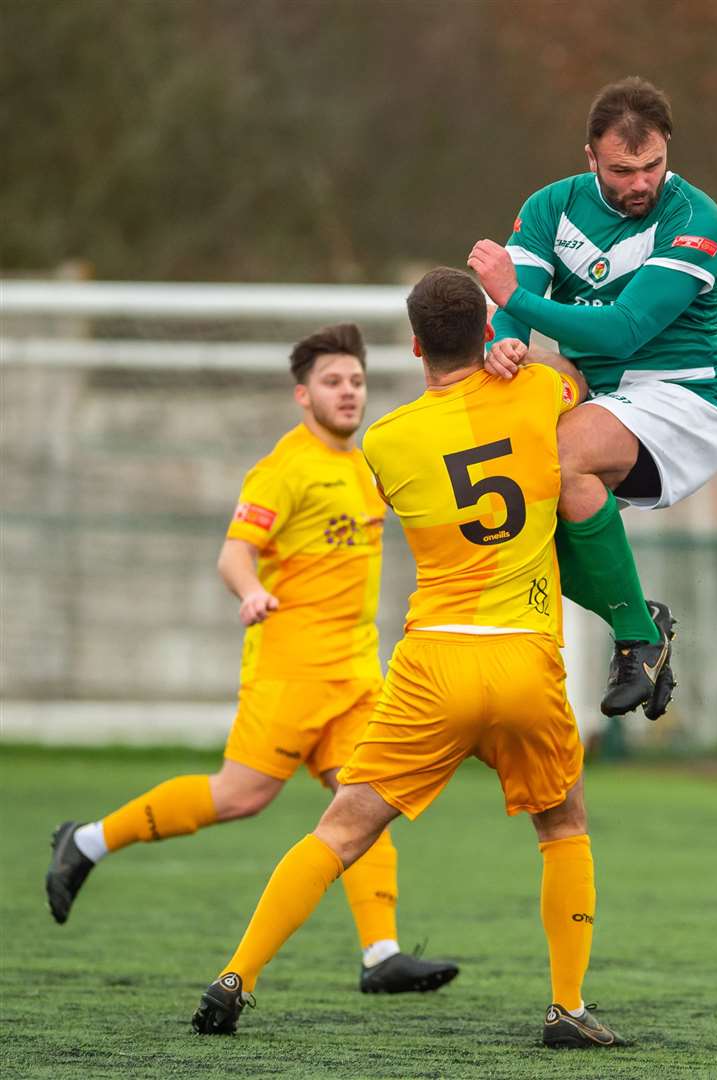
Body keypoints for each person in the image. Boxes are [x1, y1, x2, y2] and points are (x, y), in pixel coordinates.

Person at [192, 268, 626, 1048]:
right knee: (563, 826)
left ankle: (236, 977)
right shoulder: (535, 394)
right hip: (526, 656)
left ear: (417, 345)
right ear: (487, 337)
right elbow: (582, 377)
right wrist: (523, 359)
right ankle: (566, 1007)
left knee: (341, 829)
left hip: (433, 666)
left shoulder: (385, 443)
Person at [45, 324, 457, 994]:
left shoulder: (367, 465)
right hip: (289, 671)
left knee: (364, 802)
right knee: (237, 797)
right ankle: (86, 841)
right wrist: (253, 589)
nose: (348, 392)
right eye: (332, 381)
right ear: (303, 395)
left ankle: (381, 955)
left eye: (355, 380)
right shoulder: (282, 469)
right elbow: (233, 552)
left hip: (355, 674)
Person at [467, 75, 717, 722]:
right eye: (622, 170)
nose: (640, 182)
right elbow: (514, 307)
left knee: (561, 454)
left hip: (683, 399)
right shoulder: (548, 208)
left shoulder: (698, 220)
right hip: (598, 392)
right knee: (508, 489)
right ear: (590, 157)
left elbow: (624, 331)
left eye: (652, 166)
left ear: (667, 147)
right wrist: (506, 342)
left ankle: (635, 639)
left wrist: (514, 303)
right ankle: (641, 623)